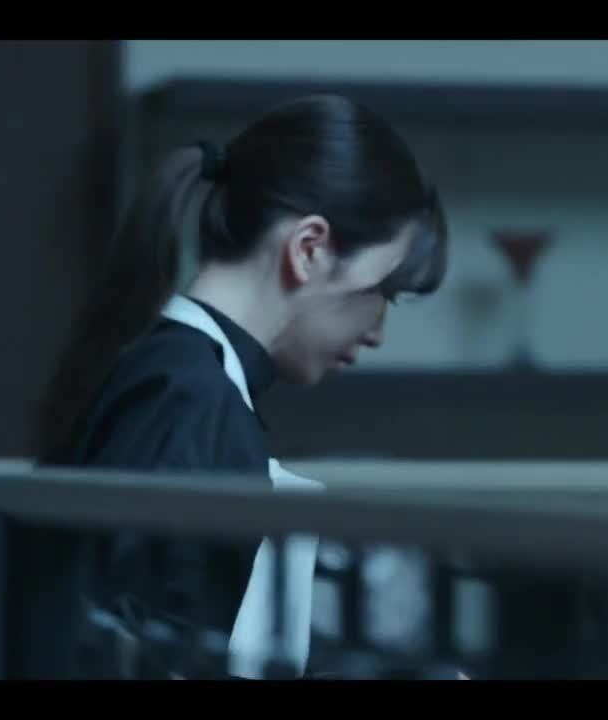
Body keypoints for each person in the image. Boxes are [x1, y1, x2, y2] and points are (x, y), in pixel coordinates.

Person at [27, 94, 450, 679]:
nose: (378, 331)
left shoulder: (182, 378)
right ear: (308, 249)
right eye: (385, 291)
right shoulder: (188, 395)